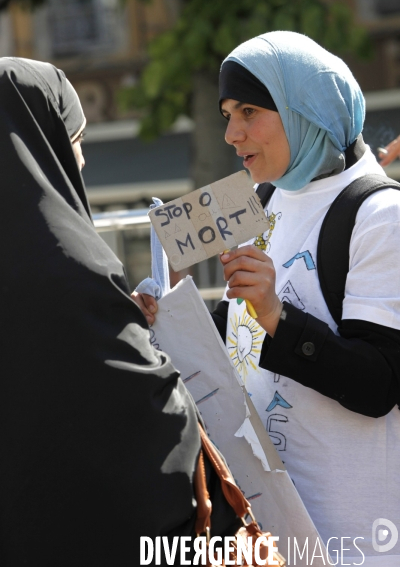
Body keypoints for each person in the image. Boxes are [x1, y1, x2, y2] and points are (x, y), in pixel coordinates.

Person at [138, 31, 400, 565]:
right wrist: (169, 312)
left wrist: (277, 316)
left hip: (358, 536)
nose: (233, 133)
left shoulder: (380, 216)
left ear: (308, 109)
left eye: (251, 111)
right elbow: (244, 330)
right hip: (267, 534)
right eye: (227, 114)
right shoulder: (262, 196)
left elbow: (380, 384)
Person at [0, 57, 240, 566]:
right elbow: (143, 413)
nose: (82, 159)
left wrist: (117, 322)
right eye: (76, 137)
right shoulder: (66, 260)